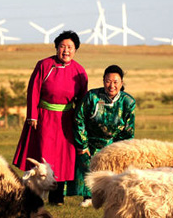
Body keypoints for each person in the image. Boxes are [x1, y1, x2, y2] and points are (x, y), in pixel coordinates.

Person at [13, 30, 88, 205]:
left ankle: (57, 197)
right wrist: (32, 115)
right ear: (56, 48)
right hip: (44, 117)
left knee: (63, 158)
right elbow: (33, 90)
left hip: (67, 120)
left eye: (70, 47)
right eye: (62, 46)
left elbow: (82, 99)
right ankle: (34, 194)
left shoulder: (80, 72)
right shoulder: (44, 65)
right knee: (43, 155)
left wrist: (80, 122)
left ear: (75, 49)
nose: (66, 50)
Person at [73, 64, 136, 207]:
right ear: (103, 81)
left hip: (113, 142)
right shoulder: (92, 97)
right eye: (108, 81)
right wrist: (82, 144)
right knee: (88, 166)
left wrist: (121, 148)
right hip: (90, 141)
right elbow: (79, 119)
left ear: (121, 83)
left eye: (115, 82)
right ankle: (88, 197)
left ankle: (114, 196)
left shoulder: (128, 101)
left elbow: (128, 129)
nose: (111, 85)